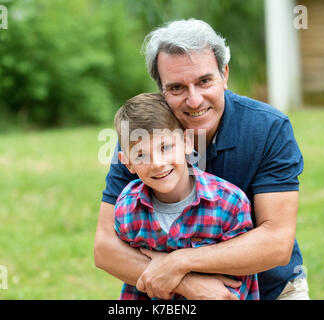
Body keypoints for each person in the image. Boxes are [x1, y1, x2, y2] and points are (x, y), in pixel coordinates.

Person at [94, 19, 309, 300]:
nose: (194, 101)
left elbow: (276, 243)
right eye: (177, 88)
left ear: (225, 74)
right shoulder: (142, 140)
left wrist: (180, 262)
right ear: (162, 90)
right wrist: (186, 284)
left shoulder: (268, 128)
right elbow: (105, 248)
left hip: (271, 290)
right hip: (172, 296)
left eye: (205, 81)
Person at [113, 93, 259, 300]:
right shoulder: (127, 208)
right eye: (141, 155)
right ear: (127, 162)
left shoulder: (230, 204)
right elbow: (133, 283)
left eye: (165, 147)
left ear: (187, 142)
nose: (156, 163)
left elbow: (233, 287)